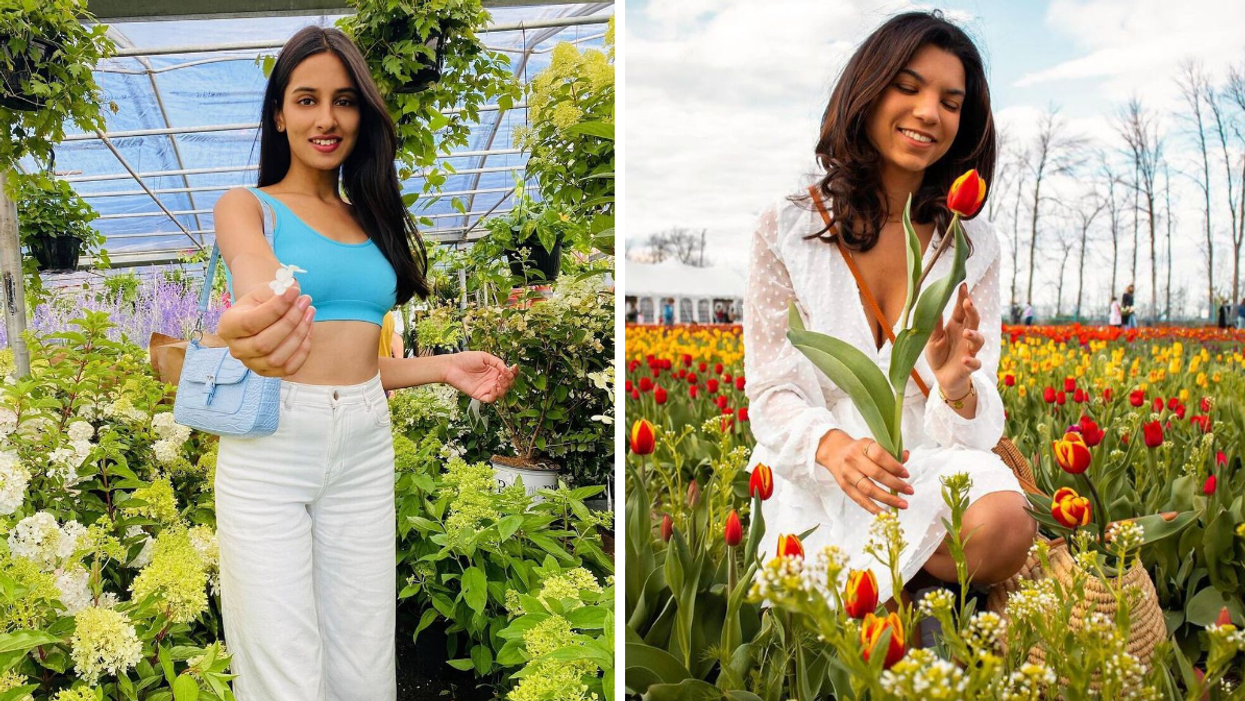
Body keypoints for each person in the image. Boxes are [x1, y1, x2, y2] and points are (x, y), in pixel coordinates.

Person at [211, 26, 517, 700]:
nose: (326, 119)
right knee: (283, 665)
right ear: (278, 113)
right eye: (307, 99)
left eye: (344, 101)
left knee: (364, 655)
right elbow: (254, 276)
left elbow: (350, 368)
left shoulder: (369, 217)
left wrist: (441, 366)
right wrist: (255, 312)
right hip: (271, 448)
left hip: (362, 442)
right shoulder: (247, 206)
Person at [741, 11, 1033, 612]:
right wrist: (832, 447)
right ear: (867, 91)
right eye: (909, 87)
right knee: (844, 605)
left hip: (924, 463)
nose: (930, 112)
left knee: (1007, 524)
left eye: (951, 102)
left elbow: (977, 416)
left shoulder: (973, 245)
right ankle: (913, 594)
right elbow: (772, 390)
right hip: (827, 466)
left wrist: (955, 389)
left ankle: (895, 585)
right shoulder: (788, 227)